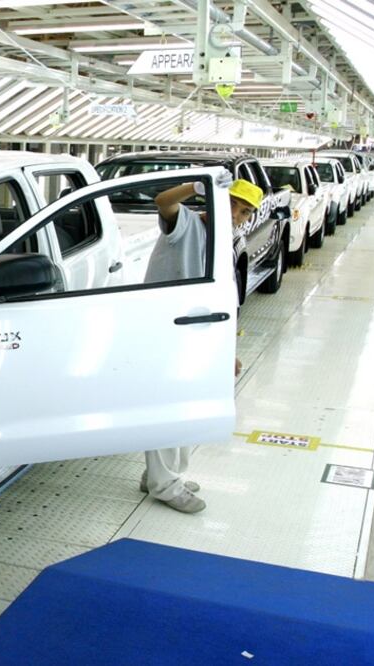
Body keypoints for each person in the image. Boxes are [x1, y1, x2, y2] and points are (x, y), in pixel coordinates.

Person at [141, 175, 262, 513]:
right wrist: (197, 186)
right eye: (232, 205)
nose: (237, 216)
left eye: (244, 213)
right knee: (170, 407)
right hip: (168, 330)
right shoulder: (187, 224)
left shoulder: (224, 243)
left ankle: (159, 474)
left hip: (194, 333)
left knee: (184, 405)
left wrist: (228, 350)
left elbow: (221, 300)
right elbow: (164, 201)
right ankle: (165, 484)